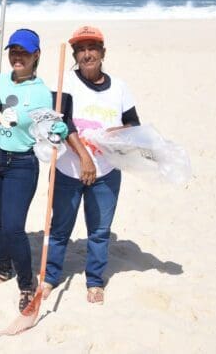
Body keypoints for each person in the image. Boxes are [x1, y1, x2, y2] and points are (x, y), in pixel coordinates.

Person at [43, 25, 140, 305]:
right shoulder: (66, 82)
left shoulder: (120, 87)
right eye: (81, 49)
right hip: (67, 169)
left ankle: (95, 280)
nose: (87, 54)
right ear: (74, 54)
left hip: (106, 172)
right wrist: (84, 156)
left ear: (103, 52)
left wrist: (116, 135)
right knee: (60, 228)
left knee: (99, 230)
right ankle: (50, 276)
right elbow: (61, 121)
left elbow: (134, 123)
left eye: (92, 48)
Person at [0, 28, 69, 312]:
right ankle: (4, 269)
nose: (18, 57)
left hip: (20, 164)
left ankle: (26, 283)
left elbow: (47, 133)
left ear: (36, 55)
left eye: (24, 52)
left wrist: (57, 131)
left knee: (15, 227)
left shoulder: (43, 93)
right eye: (14, 51)